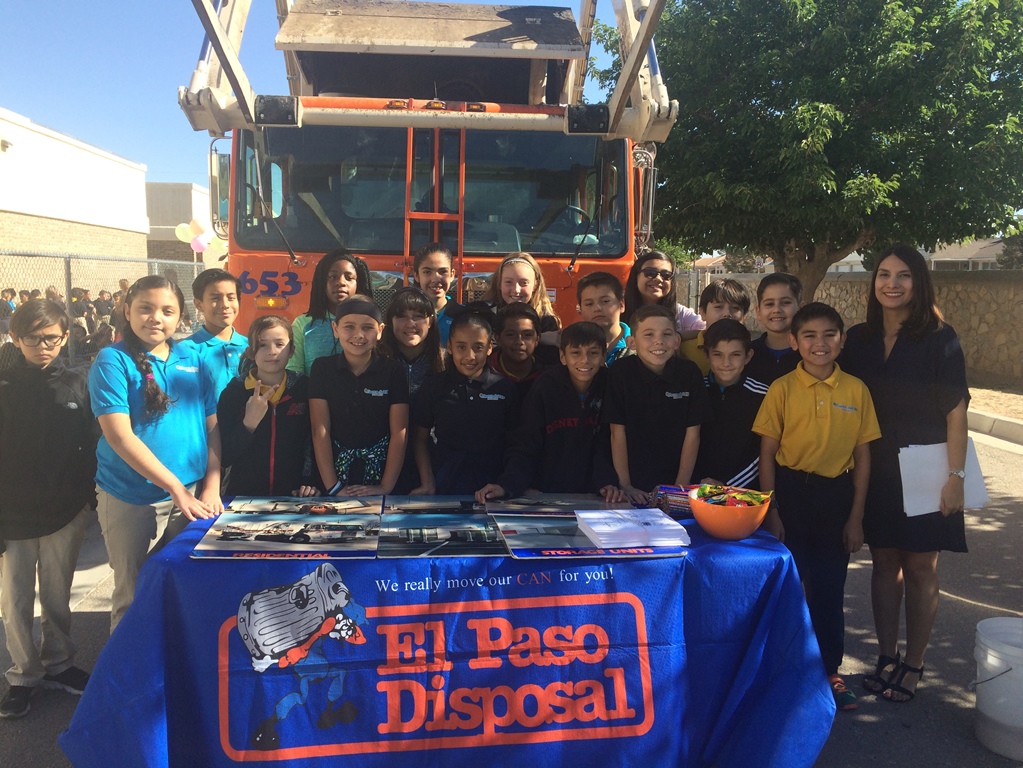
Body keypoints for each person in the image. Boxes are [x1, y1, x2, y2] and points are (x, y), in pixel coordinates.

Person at [840, 244, 970, 704]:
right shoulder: (856, 339)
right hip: (873, 468)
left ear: (918, 283)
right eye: (883, 274)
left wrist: (955, 475)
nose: (891, 284)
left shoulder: (940, 337)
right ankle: (886, 655)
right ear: (872, 282)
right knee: (883, 565)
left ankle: (914, 663)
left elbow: (956, 412)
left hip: (926, 466)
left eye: (903, 276)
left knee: (919, 567)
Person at [754, 302, 881, 712]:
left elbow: (863, 457)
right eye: (809, 335)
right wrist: (771, 512)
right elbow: (768, 454)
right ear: (794, 342)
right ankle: (780, 671)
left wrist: (856, 517)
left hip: (835, 498)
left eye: (829, 335)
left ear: (841, 341)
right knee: (786, 588)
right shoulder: (782, 389)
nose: (819, 343)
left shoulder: (856, 390)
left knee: (828, 589)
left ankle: (829, 671)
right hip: (789, 495)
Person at [89, 276, 223, 631]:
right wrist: (175, 488)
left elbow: (210, 427)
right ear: (127, 311)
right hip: (132, 498)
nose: (155, 318)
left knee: (183, 588)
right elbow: (120, 437)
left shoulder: (192, 358)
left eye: (167, 310)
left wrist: (211, 485)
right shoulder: (112, 361)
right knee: (134, 594)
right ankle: (128, 680)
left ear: (180, 317)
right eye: (145, 308)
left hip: (192, 496)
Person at [0, 300, 97, 719]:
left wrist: (87, 500)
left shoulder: (78, 383)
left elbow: (93, 443)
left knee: (57, 595)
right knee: (15, 600)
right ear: (15, 338)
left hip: (65, 510)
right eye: (34, 338)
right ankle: (24, 675)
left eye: (53, 337)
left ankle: (59, 663)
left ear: (65, 336)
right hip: (12, 513)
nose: (45, 346)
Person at [476, 322, 620, 502]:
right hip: (547, 493)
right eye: (576, 353)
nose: (585, 360)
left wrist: (607, 482)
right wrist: (508, 485)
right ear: (562, 356)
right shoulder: (545, 387)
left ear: (603, 356)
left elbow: (608, 443)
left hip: (597, 494)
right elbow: (526, 442)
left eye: (593, 353)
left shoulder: (609, 386)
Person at [604, 304, 711, 504]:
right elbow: (617, 432)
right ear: (632, 342)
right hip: (633, 482)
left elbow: (693, 434)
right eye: (649, 335)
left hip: (678, 480)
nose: (658, 341)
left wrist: (678, 488)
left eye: (667, 334)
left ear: (677, 340)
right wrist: (625, 485)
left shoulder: (689, 373)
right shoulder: (620, 372)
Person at [309, 296, 409, 496]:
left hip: (384, 474)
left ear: (380, 330)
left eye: (367, 328)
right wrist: (334, 487)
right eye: (349, 327)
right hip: (333, 474)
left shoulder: (394, 370)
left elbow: (399, 432)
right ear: (335, 329)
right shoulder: (322, 368)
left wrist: (385, 487)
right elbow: (319, 431)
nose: (358, 335)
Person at [412, 311, 518, 495]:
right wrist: (427, 482)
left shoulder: (504, 388)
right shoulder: (434, 386)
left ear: (490, 347)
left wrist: (506, 485)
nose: (470, 356)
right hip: (444, 485)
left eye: (478, 347)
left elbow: (517, 443)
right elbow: (420, 438)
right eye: (461, 347)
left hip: (491, 487)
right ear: (450, 346)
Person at [218, 316, 317, 497]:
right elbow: (224, 457)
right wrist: (249, 424)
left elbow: (313, 441)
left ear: (292, 350)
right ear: (250, 352)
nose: (272, 351)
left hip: (294, 495)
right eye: (262, 345)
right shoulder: (234, 393)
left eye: (279, 344)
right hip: (243, 496)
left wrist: (310, 481)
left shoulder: (304, 388)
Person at [378, 286, 445, 493]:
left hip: (433, 464)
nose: (410, 324)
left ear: (431, 320)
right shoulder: (377, 361)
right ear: (389, 322)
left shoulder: (445, 363)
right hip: (382, 464)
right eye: (402, 317)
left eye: (418, 316)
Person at [692, 319, 769, 488]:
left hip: (741, 494)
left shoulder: (763, 396)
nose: (726, 363)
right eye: (718, 354)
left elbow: (764, 454)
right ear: (706, 355)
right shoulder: (695, 391)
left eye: (735, 355)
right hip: (694, 489)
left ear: (748, 356)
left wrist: (727, 485)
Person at [288, 250, 374, 376]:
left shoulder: (371, 324)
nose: (341, 282)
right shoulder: (302, 324)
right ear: (322, 282)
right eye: (333, 276)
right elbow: (294, 373)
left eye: (349, 278)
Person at [179, 269, 247, 398]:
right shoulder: (187, 350)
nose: (225, 305)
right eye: (215, 298)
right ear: (198, 304)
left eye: (231, 298)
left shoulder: (252, 347)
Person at [623, 250, 704, 340]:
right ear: (636, 276)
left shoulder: (681, 314)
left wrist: (678, 336)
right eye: (650, 273)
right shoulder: (619, 310)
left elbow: (706, 331)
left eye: (666, 275)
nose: (658, 279)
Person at [678, 278, 751, 375]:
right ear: (703, 312)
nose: (727, 314)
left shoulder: (750, 351)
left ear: (744, 315)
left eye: (735, 308)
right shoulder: (682, 350)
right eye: (718, 307)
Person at [481, 252, 561, 334]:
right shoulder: (485, 316)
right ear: (499, 283)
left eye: (524, 283)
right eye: (508, 282)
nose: (516, 290)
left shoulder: (546, 322)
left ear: (535, 285)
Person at [746, 272, 802, 385]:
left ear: (801, 308)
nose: (777, 310)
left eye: (785, 302)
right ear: (758, 312)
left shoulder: (811, 354)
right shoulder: (746, 355)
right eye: (769, 304)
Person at [489, 303, 545, 402]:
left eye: (527, 335)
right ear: (498, 338)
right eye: (511, 335)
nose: (519, 342)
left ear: (537, 339)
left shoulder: (548, 376)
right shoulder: (485, 371)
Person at [576, 271, 633, 366]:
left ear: (621, 304)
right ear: (580, 310)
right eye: (589, 304)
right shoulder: (571, 346)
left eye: (605, 301)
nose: (597, 308)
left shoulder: (640, 343)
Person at [412, 242, 461, 346]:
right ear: (416, 275)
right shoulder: (405, 316)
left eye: (443, 272)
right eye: (427, 272)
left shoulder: (463, 316)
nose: (435, 279)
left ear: (452, 275)